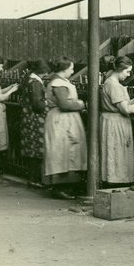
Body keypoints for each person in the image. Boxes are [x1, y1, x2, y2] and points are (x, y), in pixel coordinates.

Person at [99, 56, 134, 186]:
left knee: (113, 153)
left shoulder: (109, 82)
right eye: (127, 71)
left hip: (112, 121)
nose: (128, 74)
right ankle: (117, 184)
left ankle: (112, 181)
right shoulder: (114, 86)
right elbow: (126, 110)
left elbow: (124, 104)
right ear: (119, 69)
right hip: (116, 124)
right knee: (117, 154)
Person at [44, 56, 88, 197]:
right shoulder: (58, 83)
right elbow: (64, 104)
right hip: (61, 120)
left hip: (66, 120)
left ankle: (66, 186)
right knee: (62, 153)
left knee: (68, 152)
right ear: (64, 69)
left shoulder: (62, 81)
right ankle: (59, 188)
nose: (73, 71)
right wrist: (81, 104)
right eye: (71, 68)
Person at [18, 60, 49, 184]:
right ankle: (35, 179)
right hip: (35, 119)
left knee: (31, 149)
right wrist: (48, 102)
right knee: (37, 150)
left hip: (28, 117)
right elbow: (38, 105)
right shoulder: (35, 83)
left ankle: (33, 178)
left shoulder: (29, 79)